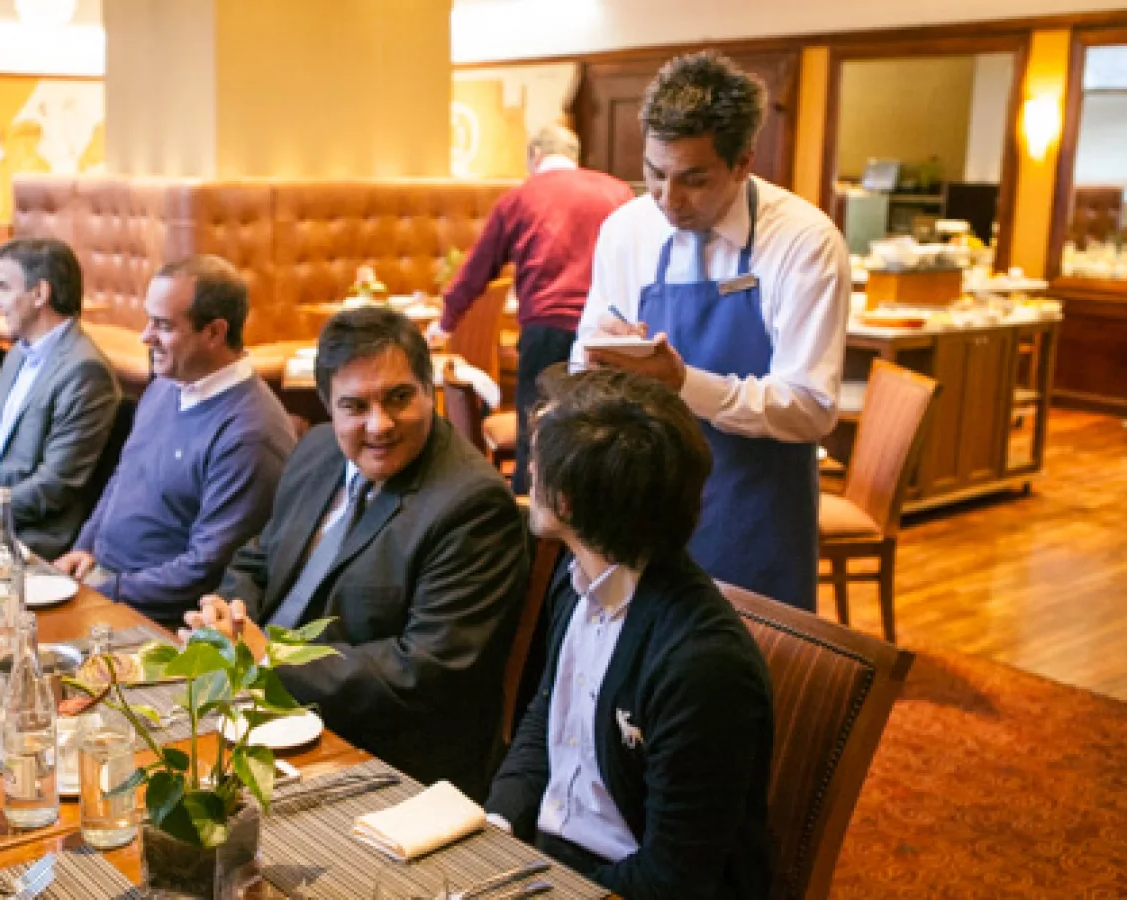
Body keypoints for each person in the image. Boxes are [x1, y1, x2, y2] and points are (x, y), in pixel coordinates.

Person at [184, 307, 527, 799]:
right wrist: (230, 616)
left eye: (399, 397)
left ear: (429, 389)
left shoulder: (471, 504)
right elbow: (258, 559)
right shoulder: (318, 449)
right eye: (355, 406)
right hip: (260, 707)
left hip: (377, 753)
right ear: (329, 406)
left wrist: (269, 660)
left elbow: (422, 670)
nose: (379, 424)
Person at [571, 51, 848, 610]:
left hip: (755, 508)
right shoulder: (627, 230)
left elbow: (811, 407)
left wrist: (682, 384)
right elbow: (585, 357)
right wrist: (599, 369)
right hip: (642, 508)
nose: (668, 200)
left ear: (743, 162)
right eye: (655, 173)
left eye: (694, 180)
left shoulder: (803, 243)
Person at [486, 366, 774, 900]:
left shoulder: (703, 664)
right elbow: (545, 719)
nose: (527, 470)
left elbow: (674, 878)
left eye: (537, 461)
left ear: (567, 502)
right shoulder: (576, 581)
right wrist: (495, 828)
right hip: (552, 862)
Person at [56, 255, 295, 628]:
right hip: (102, 581)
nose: (145, 336)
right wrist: (85, 546)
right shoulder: (168, 383)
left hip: (156, 618)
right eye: (149, 320)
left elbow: (205, 568)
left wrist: (101, 593)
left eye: (163, 325)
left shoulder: (250, 433)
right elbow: (124, 475)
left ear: (214, 333)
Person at [427, 124, 633, 494]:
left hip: (546, 329)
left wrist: (446, 321)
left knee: (537, 434)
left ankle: (530, 517)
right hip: (609, 330)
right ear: (574, 156)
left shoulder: (520, 198)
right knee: (604, 434)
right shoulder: (618, 193)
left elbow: (479, 267)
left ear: (535, 157)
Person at [0, 238, 120, 558]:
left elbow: (54, 485)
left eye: (3, 288)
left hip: (25, 534)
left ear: (40, 293)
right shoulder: (17, 355)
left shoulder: (85, 371)